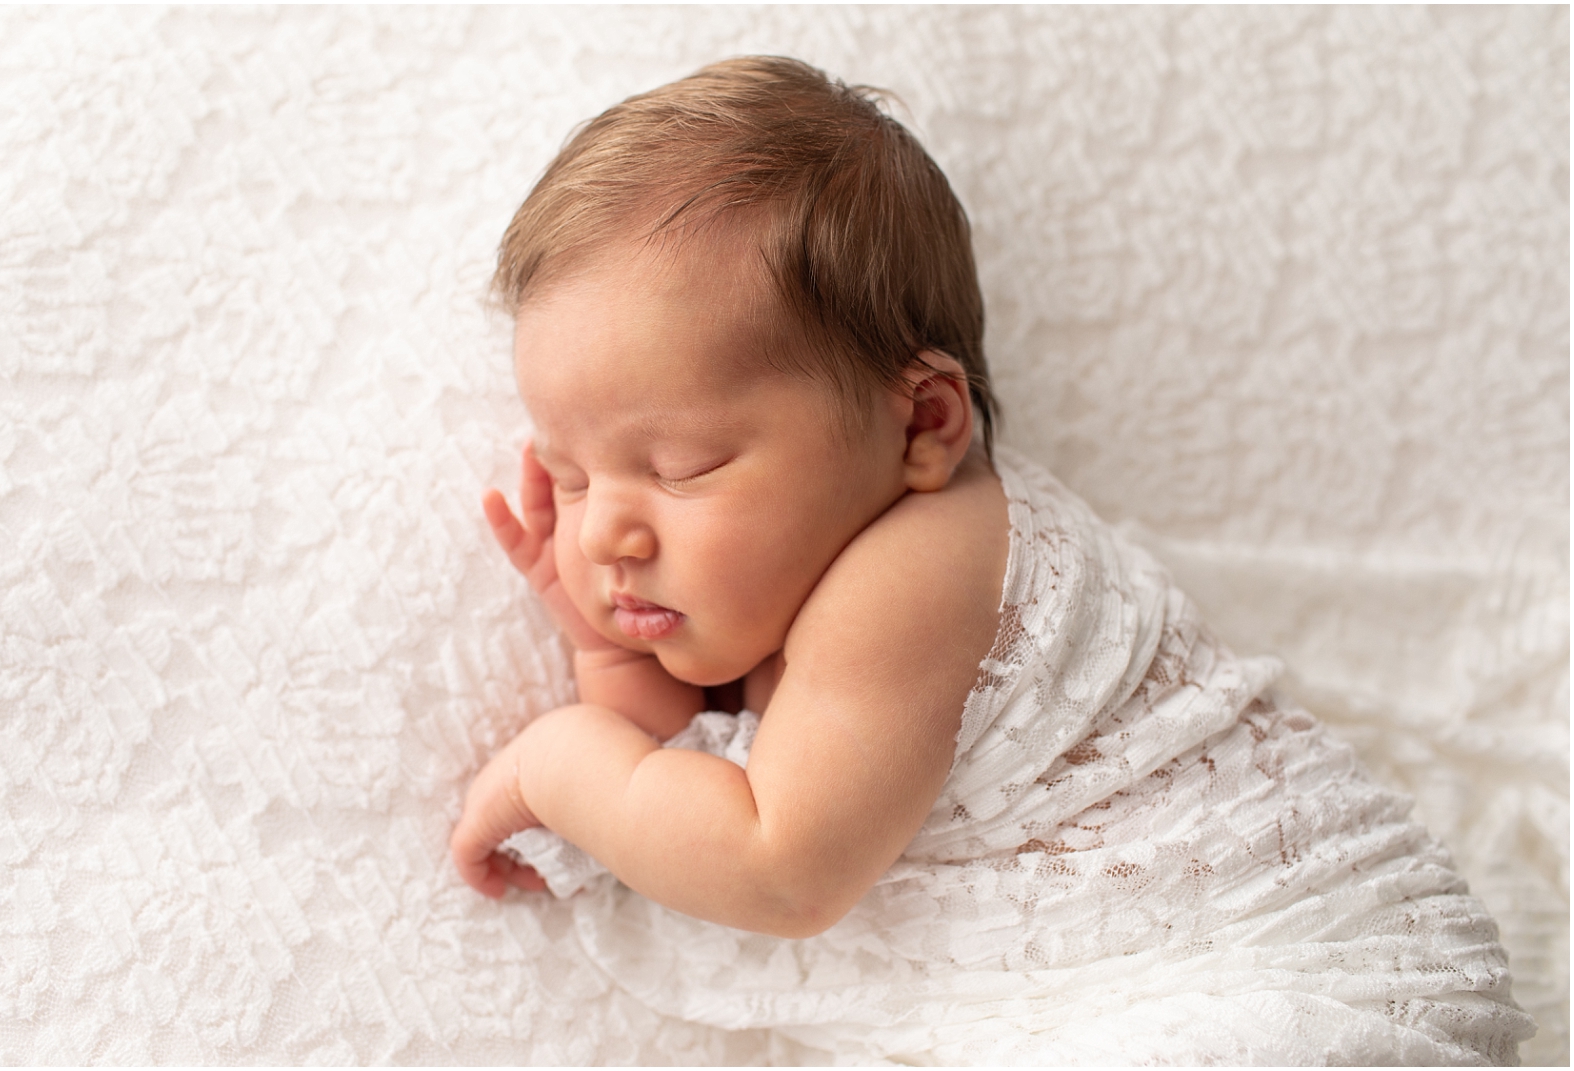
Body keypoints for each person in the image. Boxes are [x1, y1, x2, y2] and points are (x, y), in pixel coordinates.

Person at [449, 56, 1533, 1063]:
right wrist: (607, 648)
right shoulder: (814, 561)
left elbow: (772, 865)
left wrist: (557, 762)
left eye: (680, 466)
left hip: (1295, 976)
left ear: (923, 422)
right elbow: (680, 781)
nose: (603, 534)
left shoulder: (919, 570)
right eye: (574, 476)